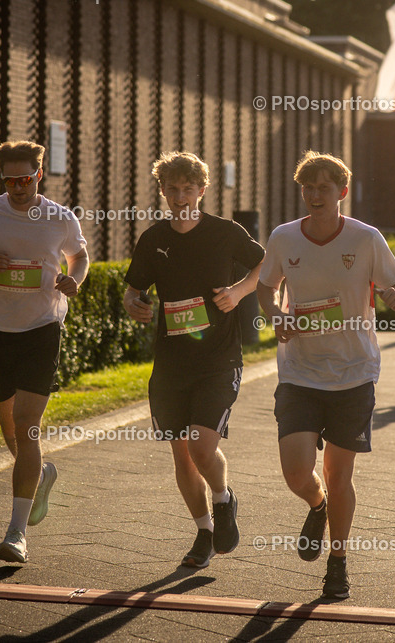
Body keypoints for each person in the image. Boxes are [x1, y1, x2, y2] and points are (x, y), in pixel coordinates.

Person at [256, 150, 395, 600]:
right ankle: (316, 503)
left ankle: (338, 563)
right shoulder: (284, 238)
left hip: (353, 372)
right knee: (296, 471)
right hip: (299, 372)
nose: (314, 195)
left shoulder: (365, 238)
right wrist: (275, 316)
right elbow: (266, 286)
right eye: (308, 187)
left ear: (342, 192)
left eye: (324, 187)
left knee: (339, 474)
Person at [123, 151, 264, 569]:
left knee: (203, 446)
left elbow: (267, 266)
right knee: (181, 454)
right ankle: (203, 532)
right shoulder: (153, 239)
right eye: (173, 189)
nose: (181, 196)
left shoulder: (225, 232)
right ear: (163, 191)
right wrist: (135, 304)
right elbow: (133, 290)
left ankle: (223, 499)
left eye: (189, 189)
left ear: (202, 190)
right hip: (170, 364)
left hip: (219, 360)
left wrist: (238, 292)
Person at [0, 140, 90, 563]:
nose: (17, 186)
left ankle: (16, 533)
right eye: (9, 179)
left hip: (41, 329)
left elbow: (79, 255)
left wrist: (74, 280)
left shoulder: (59, 217)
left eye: (24, 178)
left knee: (28, 425)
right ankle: (42, 474)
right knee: (12, 432)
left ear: (39, 174)